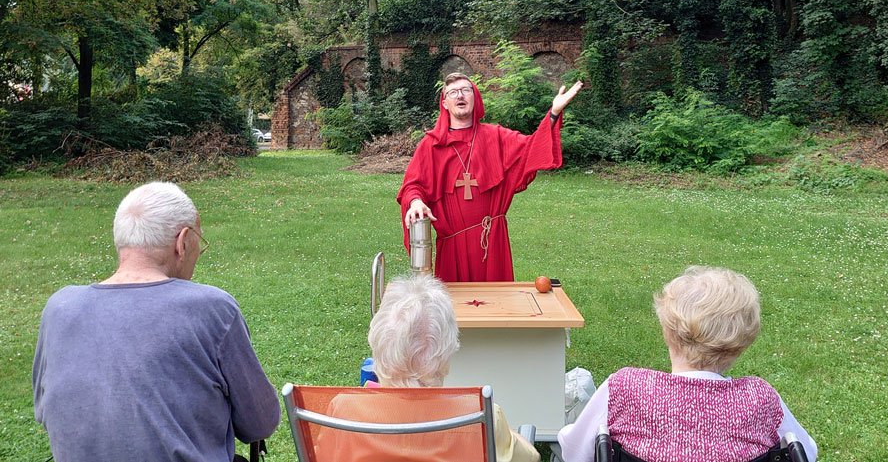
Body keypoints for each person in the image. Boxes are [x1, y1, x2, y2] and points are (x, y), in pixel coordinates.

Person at [32, 182, 280, 462]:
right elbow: (260, 422)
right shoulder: (212, 309)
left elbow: (44, 411)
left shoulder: (59, 307)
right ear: (182, 242)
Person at [557, 266, 818, 462]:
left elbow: (575, 451)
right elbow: (807, 451)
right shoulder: (761, 397)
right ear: (743, 343)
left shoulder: (626, 387)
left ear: (667, 332)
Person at [317, 274, 540, 462]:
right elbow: (529, 458)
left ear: (378, 344)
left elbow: (321, 455)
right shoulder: (481, 416)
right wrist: (514, 436)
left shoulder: (343, 411)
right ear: (447, 351)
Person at [398, 73, 583, 282]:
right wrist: (415, 202)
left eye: (466, 90)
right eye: (453, 92)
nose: (460, 95)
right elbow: (412, 185)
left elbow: (531, 148)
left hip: (493, 243)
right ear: (445, 103)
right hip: (452, 249)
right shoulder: (431, 145)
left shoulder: (496, 136)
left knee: (499, 308)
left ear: (475, 97)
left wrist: (554, 113)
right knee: (452, 311)